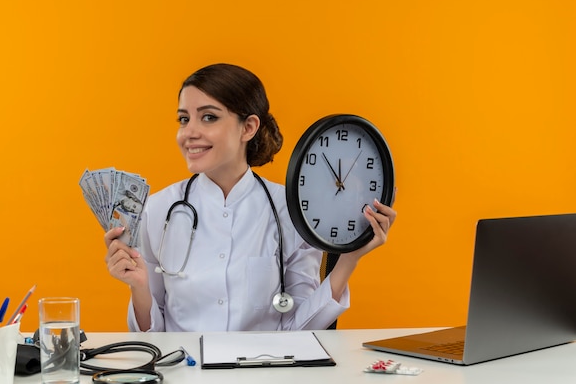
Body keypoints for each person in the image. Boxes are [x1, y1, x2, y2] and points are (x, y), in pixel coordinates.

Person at [104, 63, 396, 332]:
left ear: (248, 127)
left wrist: (349, 259)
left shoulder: (289, 210)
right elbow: (154, 338)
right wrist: (138, 286)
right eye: (184, 119)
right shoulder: (158, 209)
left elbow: (300, 332)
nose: (188, 133)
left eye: (208, 117)